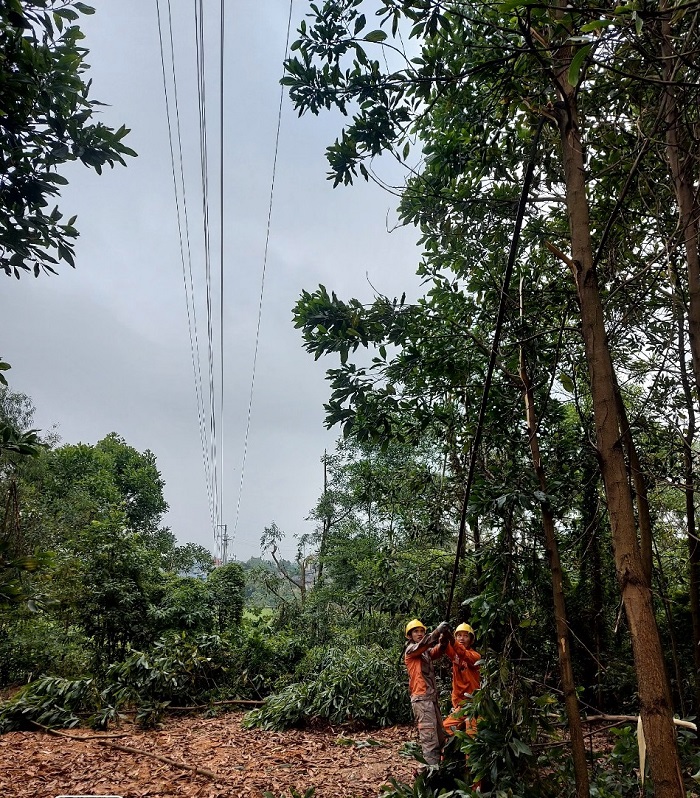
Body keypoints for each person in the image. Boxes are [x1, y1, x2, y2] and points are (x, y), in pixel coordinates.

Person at [404, 618, 451, 766]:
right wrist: (437, 632)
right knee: (430, 741)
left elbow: (435, 651)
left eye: (421, 631)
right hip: (422, 700)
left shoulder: (424, 653)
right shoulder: (411, 650)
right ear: (410, 635)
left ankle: (434, 772)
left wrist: (443, 641)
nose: (419, 633)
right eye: (415, 631)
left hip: (431, 699)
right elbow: (425, 644)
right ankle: (428, 779)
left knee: (439, 737)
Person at [443, 622, 481, 736]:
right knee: (445, 729)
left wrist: (451, 638)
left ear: (471, 639)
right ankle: (445, 754)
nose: (462, 638)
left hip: (473, 704)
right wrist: (442, 636)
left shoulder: (475, 656)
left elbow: (463, 653)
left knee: (471, 735)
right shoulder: (454, 654)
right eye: (459, 635)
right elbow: (445, 647)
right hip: (460, 705)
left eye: (465, 636)